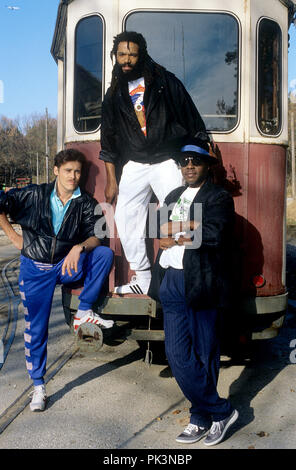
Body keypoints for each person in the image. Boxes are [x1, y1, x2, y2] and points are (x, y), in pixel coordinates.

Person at [0, 149, 114, 412]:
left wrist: (80, 247)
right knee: (36, 328)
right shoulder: (33, 194)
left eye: (77, 172)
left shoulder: (85, 202)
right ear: (55, 171)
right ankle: (38, 386)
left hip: (65, 265)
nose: (73, 176)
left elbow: (98, 236)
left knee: (103, 255)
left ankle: (83, 311)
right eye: (68, 171)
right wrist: (14, 236)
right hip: (35, 269)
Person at [100, 31, 208, 295]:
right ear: (116, 55)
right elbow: (109, 140)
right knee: (125, 216)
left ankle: (183, 274)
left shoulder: (164, 82)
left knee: (181, 213)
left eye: (132, 55)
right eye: (122, 54)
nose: (126, 60)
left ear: (141, 55)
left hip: (164, 159)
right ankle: (144, 277)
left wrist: (196, 149)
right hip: (135, 163)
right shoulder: (114, 93)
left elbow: (190, 116)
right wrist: (112, 180)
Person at [148, 137, 239, 446]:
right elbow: (157, 230)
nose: (189, 166)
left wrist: (174, 234)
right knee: (176, 354)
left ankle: (201, 417)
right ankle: (220, 410)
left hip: (201, 280)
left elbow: (214, 234)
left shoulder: (218, 198)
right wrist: (180, 231)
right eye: (184, 161)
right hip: (171, 279)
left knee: (205, 351)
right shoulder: (173, 195)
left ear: (206, 166)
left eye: (195, 161)